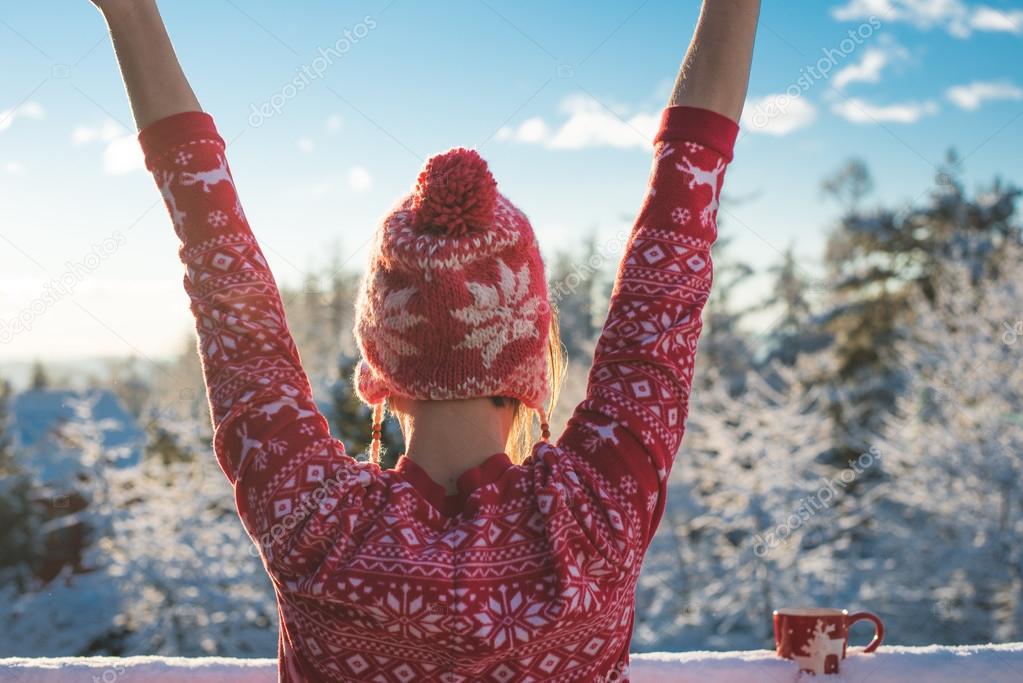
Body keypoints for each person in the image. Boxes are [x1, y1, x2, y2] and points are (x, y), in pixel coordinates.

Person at [89, 0, 760, 680]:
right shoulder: (595, 516)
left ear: (379, 365)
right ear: (531, 352)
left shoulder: (313, 522)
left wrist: (131, 15)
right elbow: (671, 250)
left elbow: (218, 262)